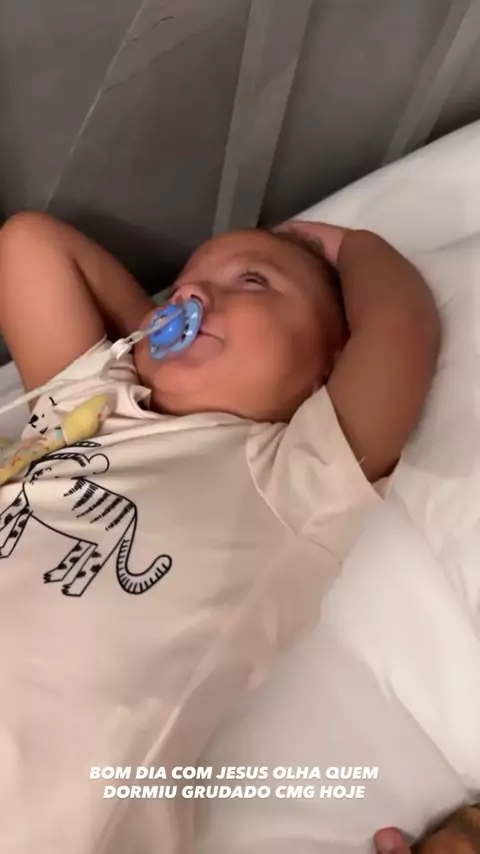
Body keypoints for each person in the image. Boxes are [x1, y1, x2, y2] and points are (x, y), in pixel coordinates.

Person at [0, 212, 440, 853]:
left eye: (253, 281)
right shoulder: (91, 401)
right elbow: (29, 244)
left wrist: (352, 246)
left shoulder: (297, 476)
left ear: (332, 366)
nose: (189, 292)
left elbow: (401, 327)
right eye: (181, 286)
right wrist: (162, 333)